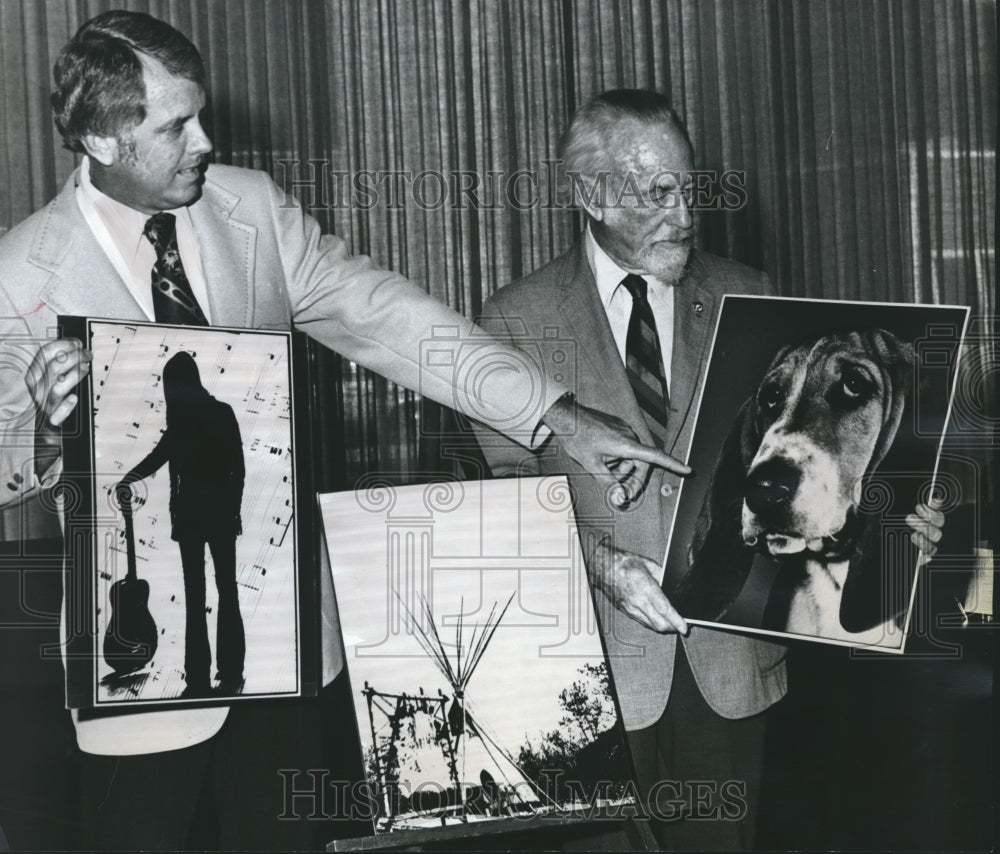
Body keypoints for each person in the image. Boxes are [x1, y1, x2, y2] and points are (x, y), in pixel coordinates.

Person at [0, 14, 688, 851]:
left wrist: (556, 415)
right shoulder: (20, 270)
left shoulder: (250, 208)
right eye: (176, 125)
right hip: (135, 682)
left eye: (201, 114)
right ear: (102, 142)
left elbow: (388, 319)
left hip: (290, 653)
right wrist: (43, 433)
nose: (206, 140)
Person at [471, 89, 945, 851]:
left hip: (730, 675)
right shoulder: (513, 321)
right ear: (589, 195)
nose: (687, 216)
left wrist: (900, 523)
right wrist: (603, 565)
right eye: (659, 193)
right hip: (592, 679)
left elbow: (820, 477)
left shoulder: (751, 293)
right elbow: (502, 501)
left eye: (691, 188)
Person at [117, 351, 246, 698]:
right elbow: (239, 469)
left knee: (195, 597)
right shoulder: (222, 413)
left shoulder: (182, 422)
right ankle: (231, 674)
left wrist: (127, 479)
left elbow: (156, 458)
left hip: (190, 516)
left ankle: (197, 680)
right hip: (219, 514)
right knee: (227, 591)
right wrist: (233, 510)